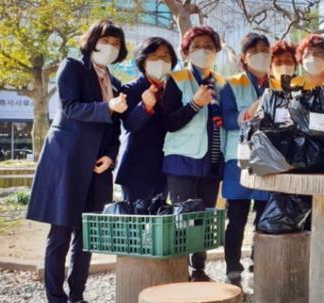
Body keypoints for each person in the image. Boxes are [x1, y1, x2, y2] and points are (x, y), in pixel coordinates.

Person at [27, 20, 128, 303]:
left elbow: (115, 130)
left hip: (98, 167)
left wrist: (111, 156)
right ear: (92, 40)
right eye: (105, 40)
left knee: (87, 234)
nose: (110, 47)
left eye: (116, 43)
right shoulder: (71, 67)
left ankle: (78, 296)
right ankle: (56, 302)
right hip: (67, 161)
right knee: (61, 231)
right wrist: (107, 106)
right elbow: (70, 107)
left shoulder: (116, 83)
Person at [162, 26, 225, 282]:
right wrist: (195, 104)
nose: (203, 50)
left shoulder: (222, 83)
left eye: (208, 46)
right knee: (183, 219)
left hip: (213, 160)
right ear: (186, 52)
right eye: (196, 46)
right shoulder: (176, 79)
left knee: (204, 219)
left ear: (216, 51)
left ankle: (199, 270)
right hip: (182, 160)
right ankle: (180, 274)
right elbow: (169, 122)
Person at [220, 33, 281, 287]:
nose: (261, 55)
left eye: (266, 50)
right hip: (239, 159)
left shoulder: (278, 84)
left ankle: (260, 267)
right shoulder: (231, 84)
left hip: (269, 159)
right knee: (236, 217)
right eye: (254, 51)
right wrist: (252, 110)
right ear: (244, 57)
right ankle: (233, 270)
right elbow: (227, 119)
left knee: (264, 217)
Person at [116, 37, 177, 201]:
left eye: (165, 56)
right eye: (154, 56)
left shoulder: (172, 91)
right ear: (143, 62)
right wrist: (144, 106)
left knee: (159, 215)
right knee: (136, 216)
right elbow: (129, 125)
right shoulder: (130, 89)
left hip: (163, 169)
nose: (160, 60)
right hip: (136, 170)